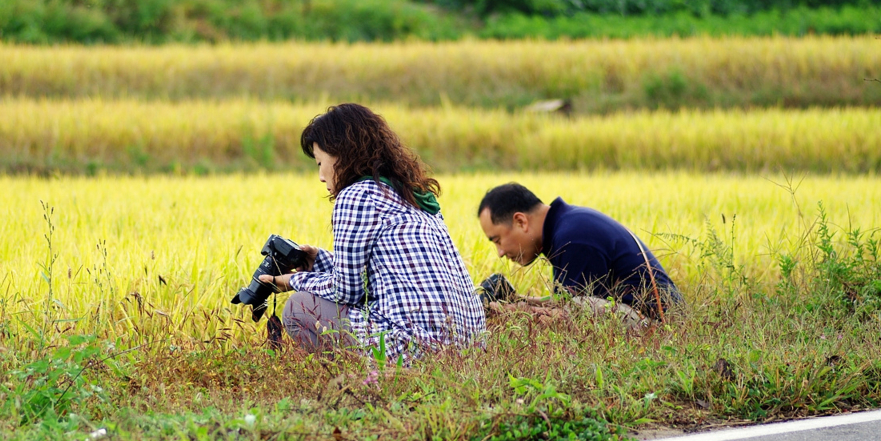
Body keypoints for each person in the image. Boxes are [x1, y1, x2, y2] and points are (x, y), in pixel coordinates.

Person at [261, 103, 485, 360]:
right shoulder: (412, 193)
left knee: (299, 307)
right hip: (471, 348)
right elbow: (385, 274)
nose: (321, 177)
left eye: (320, 163)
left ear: (341, 155)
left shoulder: (356, 196)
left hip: (419, 352)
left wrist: (291, 281)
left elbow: (347, 290)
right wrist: (320, 260)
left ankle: (366, 381)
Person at [477, 183, 681, 320]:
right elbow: (571, 302)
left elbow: (576, 315)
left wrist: (504, 311)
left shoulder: (573, 237)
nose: (500, 252)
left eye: (498, 240)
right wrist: (518, 300)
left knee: (559, 320)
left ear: (521, 221)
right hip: (636, 316)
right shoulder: (566, 225)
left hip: (659, 327)